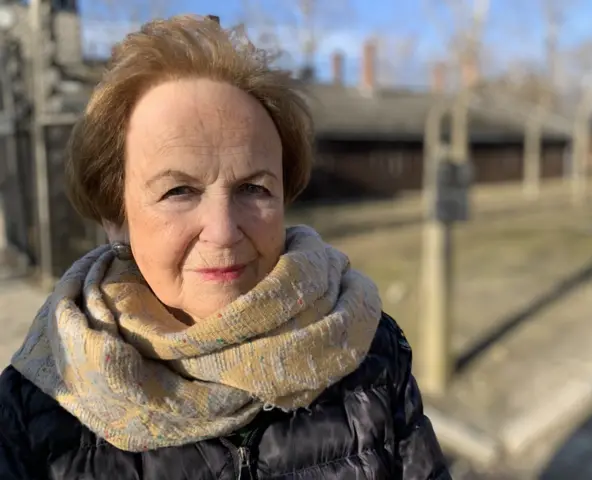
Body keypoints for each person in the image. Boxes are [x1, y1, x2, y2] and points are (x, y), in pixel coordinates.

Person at [0, 15, 451, 480]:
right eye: (179, 191)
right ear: (117, 217)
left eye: (254, 189)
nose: (222, 230)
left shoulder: (369, 349)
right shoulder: (37, 407)